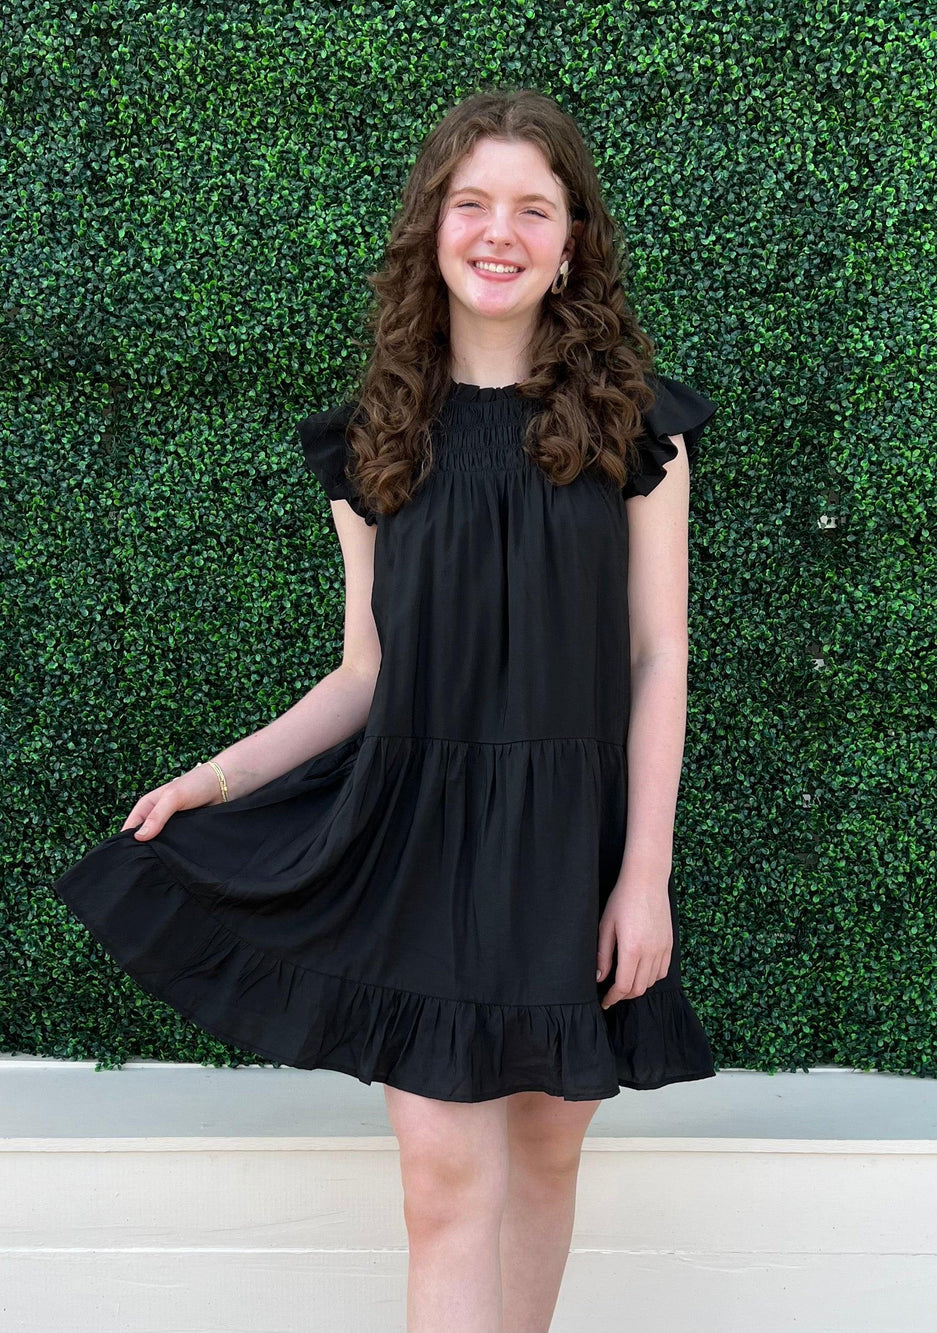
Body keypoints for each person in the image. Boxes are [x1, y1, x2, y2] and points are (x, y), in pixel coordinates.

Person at [53, 88, 719, 1333]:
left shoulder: (639, 431)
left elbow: (658, 656)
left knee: (548, 1156)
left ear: (572, 239)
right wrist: (214, 780)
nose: (499, 231)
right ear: (431, 227)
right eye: (472, 203)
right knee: (445, 1179)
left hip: (572, 843)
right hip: (419, 839)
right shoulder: (376, 440)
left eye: (533, 207)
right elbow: (365, 673)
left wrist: (644, 876)